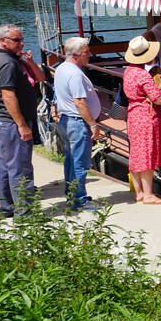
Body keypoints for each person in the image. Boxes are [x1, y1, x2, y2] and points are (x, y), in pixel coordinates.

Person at [0, 24, 45, 217]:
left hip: (3, 122)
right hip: (12, 123)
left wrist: (27, 61)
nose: (21, 43)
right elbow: (8, 95)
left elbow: (40, 78)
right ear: (3, 40)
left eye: (21, 39)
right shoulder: (7, 63)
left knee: (6, 164)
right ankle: (24, 213)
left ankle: (6, 207)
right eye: (17, 40)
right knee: (21, 168)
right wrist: (21, 124)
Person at [54, 37, 104, 210]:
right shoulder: (74, 73)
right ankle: (79, 200)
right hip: (77, 122)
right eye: (86, 52)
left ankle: (72, 194)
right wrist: (93, 124)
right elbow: (79, 103)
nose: (90, 54)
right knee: (80, 163)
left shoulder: (61, 68)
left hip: (67, 120)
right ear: (75, 54)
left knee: (71, 159)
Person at [122, 35, 161, 204]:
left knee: (135, 153)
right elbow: (158, 99)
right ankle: (148, 194)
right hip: (146, 115)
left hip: (133, 114)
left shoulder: (128, 71)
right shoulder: (143, 75)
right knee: (148, 153)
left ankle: (139, 191)